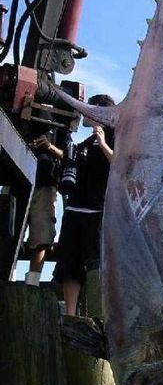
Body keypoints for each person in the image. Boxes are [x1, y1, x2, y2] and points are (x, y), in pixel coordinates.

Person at [53, 94, 115, 315]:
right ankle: (70, 315)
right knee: (70, 265)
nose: (84, 112)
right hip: (73, 209)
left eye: (90, 107)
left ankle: (98, 315)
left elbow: (120, 163)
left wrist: (103, 143)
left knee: (96, 263)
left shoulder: (116, 137)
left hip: (96, 212)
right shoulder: (83, 144)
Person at [24, 133, 63, 286]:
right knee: (8, 230)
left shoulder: (61, 120)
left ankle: (32, 284)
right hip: (16, 175)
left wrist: (49, 147)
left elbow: (66, 155)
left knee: (42, 236)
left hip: (46, 181)